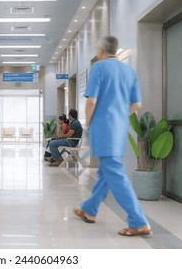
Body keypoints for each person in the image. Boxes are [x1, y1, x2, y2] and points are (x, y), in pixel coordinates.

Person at [73, 36, 152, 237]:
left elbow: (91, 101)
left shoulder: (99, 68)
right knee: (107, 170)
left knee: (114, 171)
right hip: (119, 127)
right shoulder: (129, 71)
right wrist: (119, 115)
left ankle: (139, 221)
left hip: (103, 127)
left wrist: (89, 122)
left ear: (100, 50)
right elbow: (137, 105)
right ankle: (89, 210)